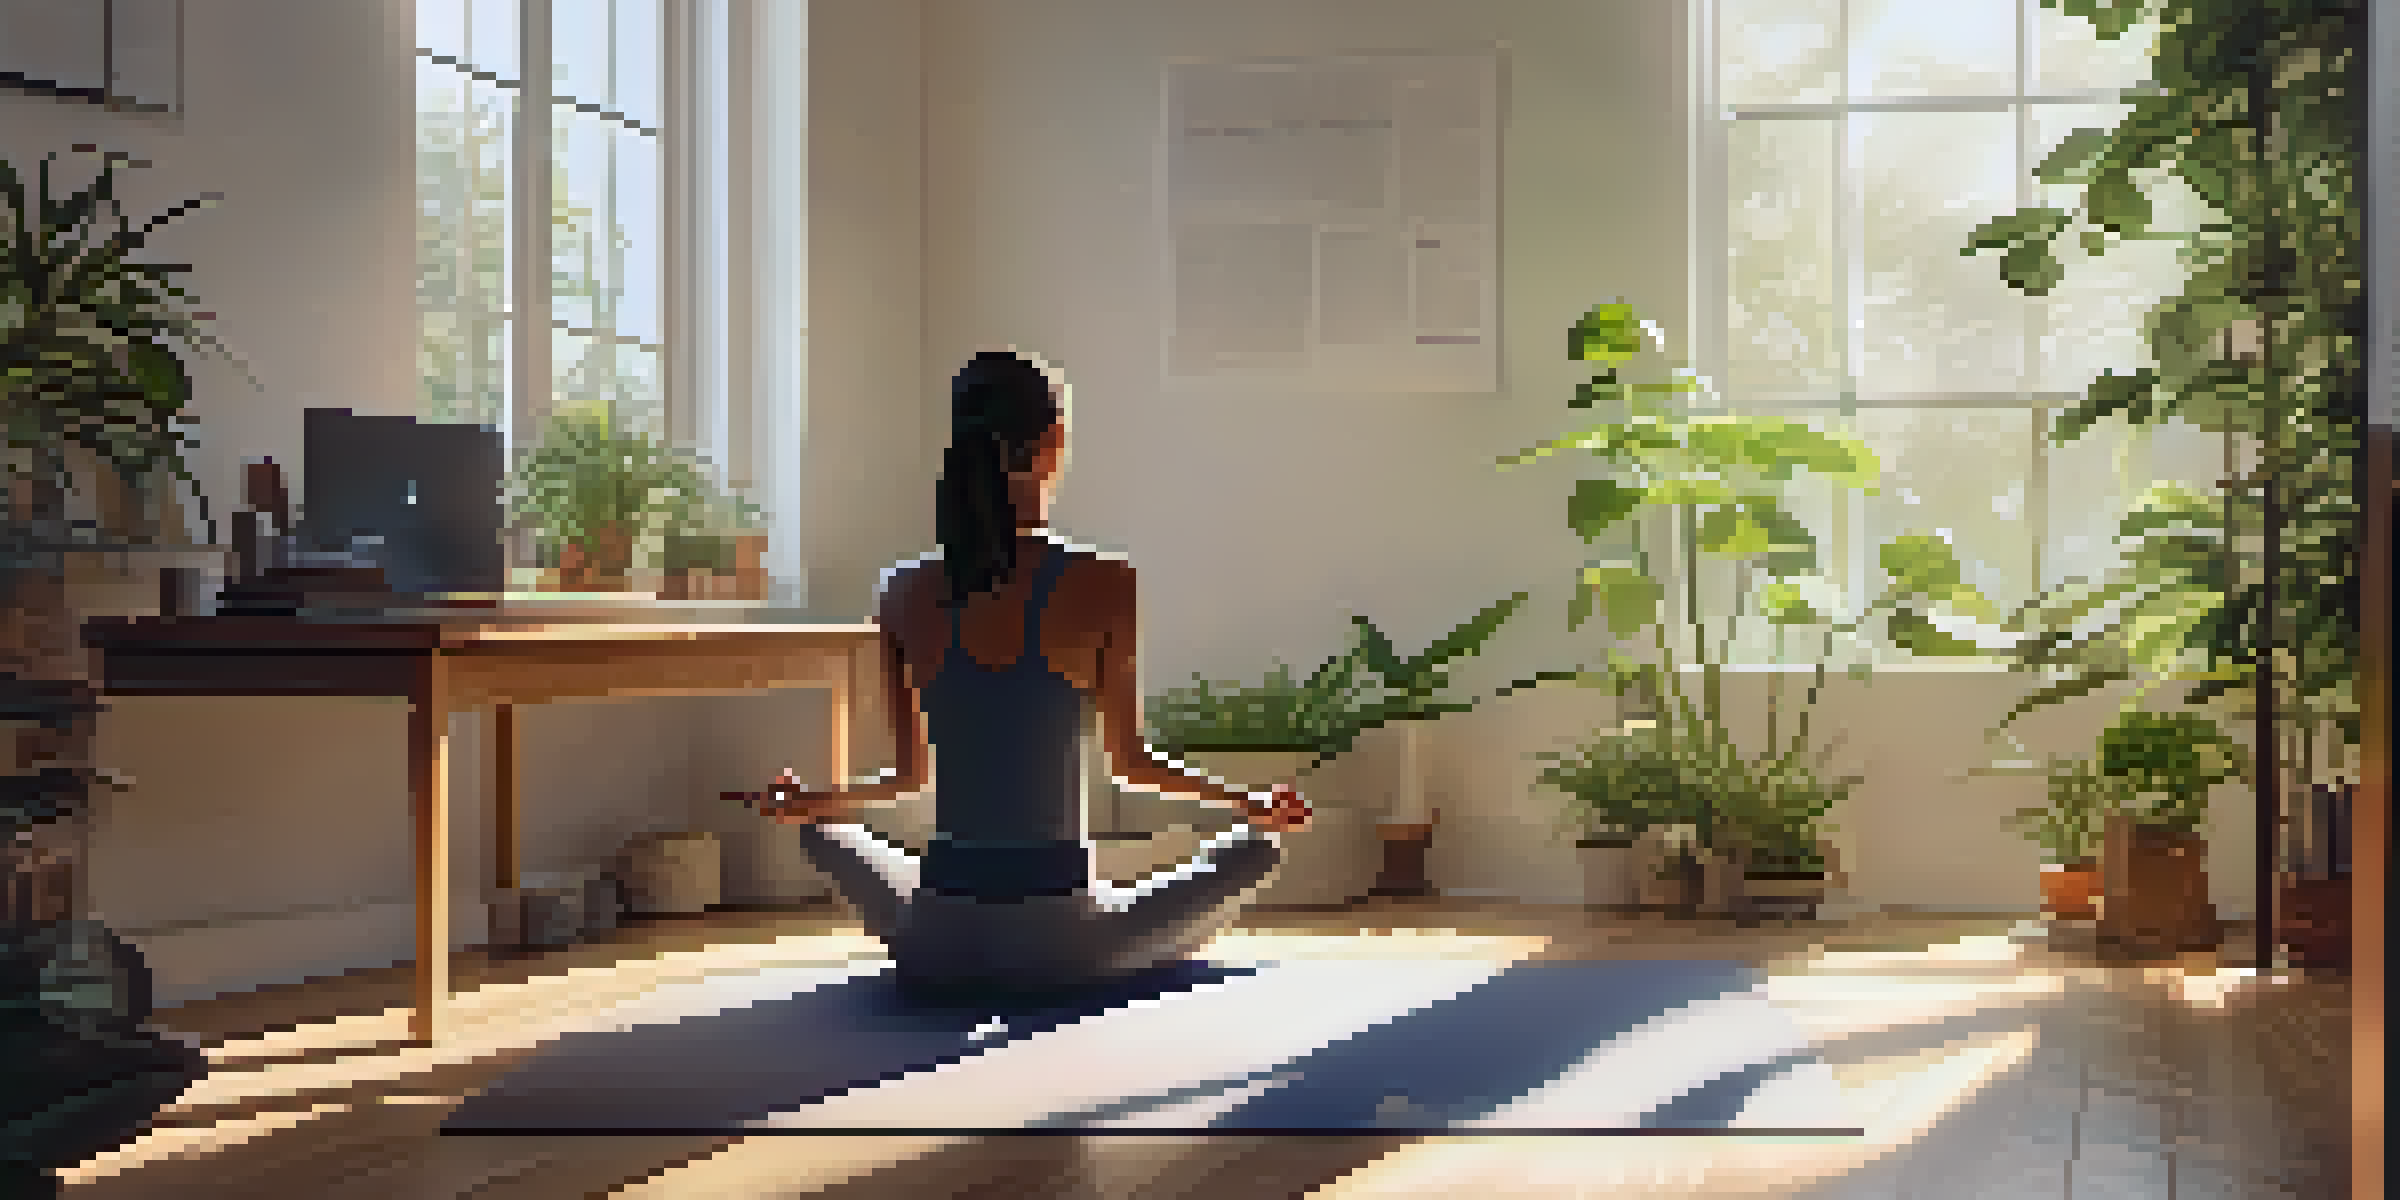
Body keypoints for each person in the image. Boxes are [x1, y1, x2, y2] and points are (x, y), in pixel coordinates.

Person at [743, 348, 1310, 1008]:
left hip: (935, 943)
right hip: (1062, 947)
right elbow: (1129, 763)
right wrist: (1250, 806)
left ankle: (819, 826)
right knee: (1254, 854)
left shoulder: (901, 589)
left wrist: (810, 803)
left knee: (824, 832)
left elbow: (907, 778)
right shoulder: (1105, 582)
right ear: (1055, 442)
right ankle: (1254, 837)